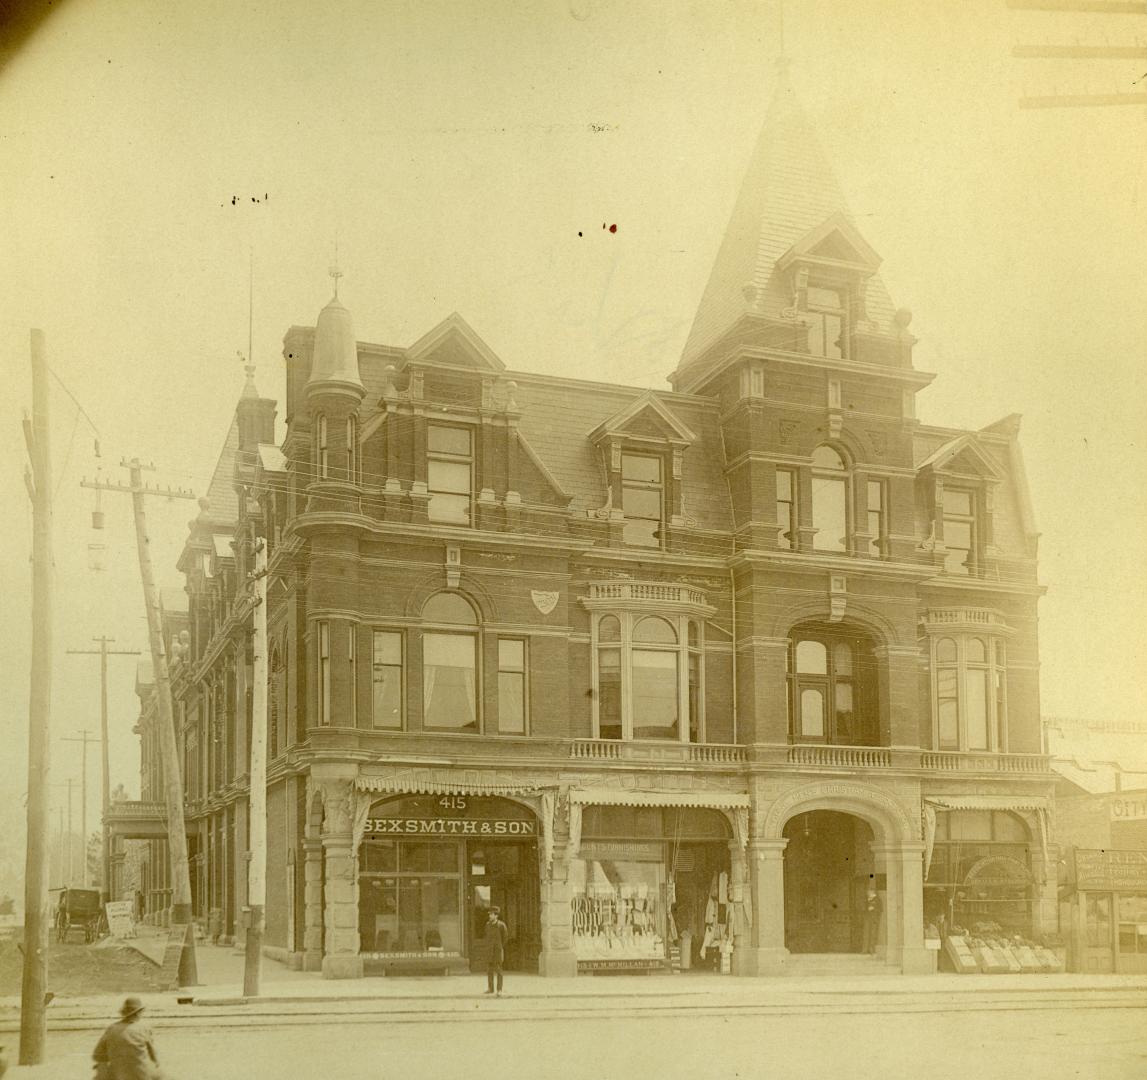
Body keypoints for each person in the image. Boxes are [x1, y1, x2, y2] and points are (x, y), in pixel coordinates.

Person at [92, 997, 160, 1080]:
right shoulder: (144, 1029)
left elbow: (97, 1054)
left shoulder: (111, 1028)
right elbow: (154, 1057)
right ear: (138, 1013)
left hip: (118, 1075)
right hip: (142, 1076)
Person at [482, 906, 508, 997]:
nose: (490, 916)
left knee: (499, 970)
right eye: (489, 914)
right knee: (489, 970)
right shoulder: (487, 925)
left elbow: (505, 938)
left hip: (497, 951)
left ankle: (499, 990)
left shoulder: (501, 925)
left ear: (496, 916)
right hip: (489, 951)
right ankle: (490, 988)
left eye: (492, 914)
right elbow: (486, 936)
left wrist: (499, 947)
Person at [862, 887, 882, 955]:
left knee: (873, 934)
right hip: (867, 918)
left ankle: (872, 949)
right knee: (866, 934)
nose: (867, 893)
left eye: (869, 891)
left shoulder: (878, 900)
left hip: (874, 919)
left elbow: (880, 909)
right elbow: (863, 908)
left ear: (872, 892)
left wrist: (874, 909)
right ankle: (864, 950)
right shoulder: (866, 900)